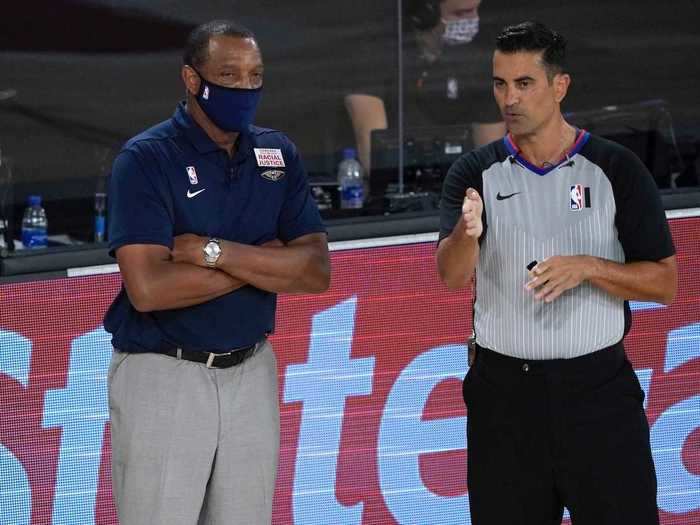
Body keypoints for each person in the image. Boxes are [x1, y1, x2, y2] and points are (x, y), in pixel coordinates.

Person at [436, 21, 676, 525]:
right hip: (504, 402)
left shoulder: (617, 168)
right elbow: (452, 276)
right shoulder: (473, 173)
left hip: (597, 396)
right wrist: (467, 233)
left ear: (559, 86)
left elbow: (664, 282)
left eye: (525, 83)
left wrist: (588, 267)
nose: (509, 98)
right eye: (500, 84)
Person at [103, 20, 330, 525]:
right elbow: (148, 289)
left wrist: (213, 252)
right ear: (191, 79)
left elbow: (315, 271)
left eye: (255, 76)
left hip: (252, 369)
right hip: (165, 372)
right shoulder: (145, 160)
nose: (245, 88)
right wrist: (266, 262)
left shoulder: (276, 154)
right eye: (229, 75)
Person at [345, 0, 505, 172]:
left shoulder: (477, 61)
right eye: (461, 14)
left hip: (460, 189)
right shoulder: (375, 54)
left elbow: (490, 162)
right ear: (426, 15)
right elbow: (376, 160)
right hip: (397, 186)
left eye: (476, 11)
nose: (473, 21)